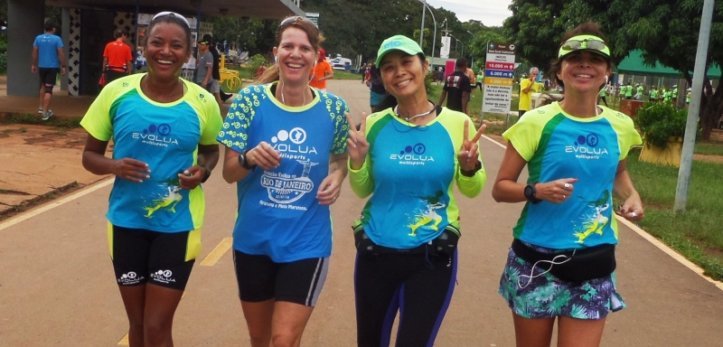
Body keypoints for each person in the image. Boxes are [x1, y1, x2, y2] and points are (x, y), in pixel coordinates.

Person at [491, 22, 644, 347]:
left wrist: (632, 194)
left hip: (594, 261)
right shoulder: (536, 121)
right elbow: (501, 187)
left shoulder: (620, 125)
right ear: (559, 71)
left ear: (606, 72)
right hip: (536, 261)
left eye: (595, 59)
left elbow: (617, 173)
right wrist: (536, 191)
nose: (585, 65)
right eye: (575, 58)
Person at [79, 11, 222, 346]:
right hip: (126, 222)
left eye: (176, 45)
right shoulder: (117, 93)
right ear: (144, 46)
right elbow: (89, 156)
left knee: (157, 325)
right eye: (157, 42)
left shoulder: (203, 103)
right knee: (138, 324)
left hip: (177, 226)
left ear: (188, 53)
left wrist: (203, 171)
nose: (166, 51)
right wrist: (114, 166)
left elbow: (211, 151)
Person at [216, 15, 350, 347]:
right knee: (260, 339)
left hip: (307, 241)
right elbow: (228, 172)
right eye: (288, 46)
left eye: (304, 48)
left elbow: (340, 160)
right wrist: (249, 158)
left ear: (316, 57)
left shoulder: (334, 109)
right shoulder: (249, 102)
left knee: (283, 339)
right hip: (253, 241)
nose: (295, 54)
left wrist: (338, 176)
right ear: (276, 52)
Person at [346, 34, 487, 347]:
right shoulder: (374, 124)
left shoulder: (457, 123)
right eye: (389, 67)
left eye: (407, 62)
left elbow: (473, 188)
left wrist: (468, 166)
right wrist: (356, 163)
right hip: (376, 252)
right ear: (381, 77)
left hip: (431, 253)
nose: (399, 72)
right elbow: (363, 188)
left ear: (425, 67)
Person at [31, 20, 67, 121]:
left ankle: (41, 107)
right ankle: (45, 113)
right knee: (49, 89)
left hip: (41, 66)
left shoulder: (38, 38)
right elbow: (61, 53)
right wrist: (63, 65)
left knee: (43, 85)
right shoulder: (57, 39)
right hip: (52, 67)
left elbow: (34, 52)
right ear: (54, 29)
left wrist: (33, 64)